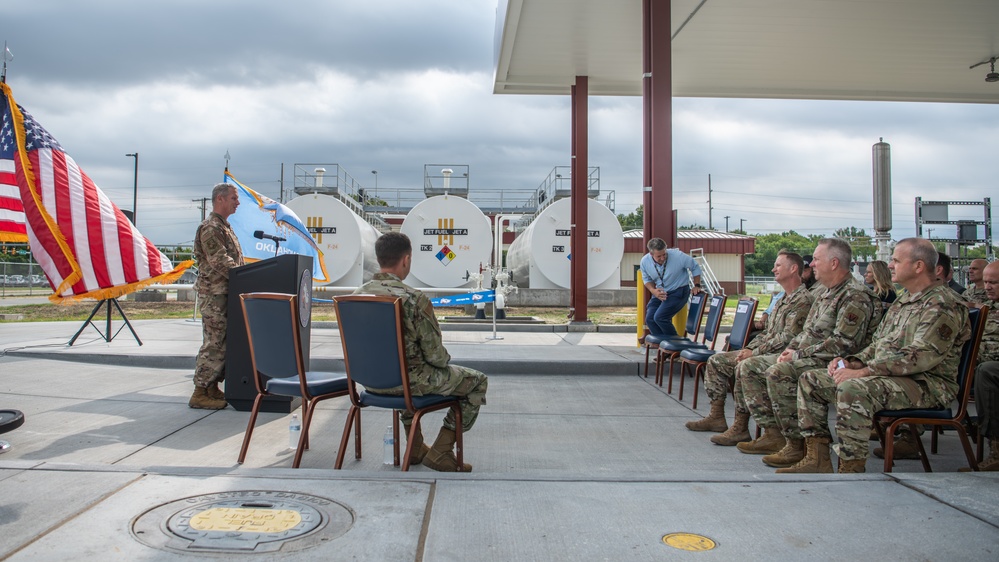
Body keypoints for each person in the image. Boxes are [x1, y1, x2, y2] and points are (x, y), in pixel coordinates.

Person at [788, 238, 971, 473]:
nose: (890, 265)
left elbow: (920, 356)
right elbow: (878, 345)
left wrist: (863, 372)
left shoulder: (943, 304)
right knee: (811, 380)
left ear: (918, 266)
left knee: (853, 388)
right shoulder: (904, 300)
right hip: (892, 378)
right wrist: (851, 361)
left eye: (895, 260)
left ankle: (851, 468)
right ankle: (817, 459)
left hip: (927, 384)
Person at [736, 238, 881, 468]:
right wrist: (792, 349)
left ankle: (802, 447)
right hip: (813, 356)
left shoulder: (854, 295)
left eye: (816, 259)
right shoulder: (826, 294)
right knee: (754, 366)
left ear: (834, 263)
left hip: (838, 363)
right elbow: (807, 332)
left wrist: (797, 356)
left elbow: (844, 344)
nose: (811, 265)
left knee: (779, 372)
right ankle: (782, 438)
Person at [355, 232, 488, 472]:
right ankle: (441, 451)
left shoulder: (354, 297)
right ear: (406, 260)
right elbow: (435, 356)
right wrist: (447, 362)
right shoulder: (414, 299)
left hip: (368, 382)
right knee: (477, 381)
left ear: (379, 258)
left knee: (402, 369)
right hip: (409, 382)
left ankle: (415, 446)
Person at [685, 251, 814, 446]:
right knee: (717, 361)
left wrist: (754, 353)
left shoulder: (802, 300)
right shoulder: (782, 299)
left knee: (745, 365)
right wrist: (749, 348)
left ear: (793, 268)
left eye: (778, 265)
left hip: (785, 355)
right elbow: (768, 332)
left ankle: (766, 432)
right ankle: (718, 418)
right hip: (766, 350)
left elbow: (788, 337)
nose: (773, 269)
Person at [190, 182, 243, 410]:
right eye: (234, 198)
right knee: (214, 341)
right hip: (214, 294)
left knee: (222, 341)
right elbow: (219, 260)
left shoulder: (225, 227)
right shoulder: (211, 227)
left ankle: (211, 388)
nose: (237, 202)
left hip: (225, 293)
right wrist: (245, 275)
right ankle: (200, 391)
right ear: (220, 199)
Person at [639, 238, 703, 339]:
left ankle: (675, 343)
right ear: (651, 254)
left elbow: (695, 267)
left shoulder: (678, 256)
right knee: (650, 319)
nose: (663, 258)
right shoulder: (645, 261)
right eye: (659, 256)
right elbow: (646, 279)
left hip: (679, 290)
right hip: (660, 292)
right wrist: (653, 291)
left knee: (660, 317)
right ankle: (663, 345)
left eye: (664, 254)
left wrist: (697, 285)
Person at [970, 260, 999, 470]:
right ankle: (909, 433)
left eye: (994, 283)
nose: (987, 286)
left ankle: (996, 449)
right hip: (982, 360)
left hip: (989, 364)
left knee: (986, 370)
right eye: (986, 282)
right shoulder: (990, 305)